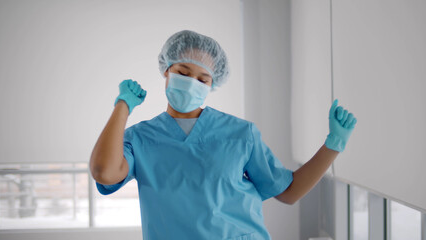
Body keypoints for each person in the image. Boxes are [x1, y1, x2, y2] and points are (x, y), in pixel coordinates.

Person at [89, 30, 357, 240]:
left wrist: (334, 144)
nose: (191, 82)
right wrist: (123, 106)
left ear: (212, 84)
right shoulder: (141, 139)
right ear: (166, 71)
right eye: (183, 72)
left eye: (202, 79)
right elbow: (104, 171)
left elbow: (288, 192)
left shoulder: (240, 133)